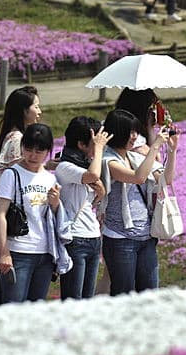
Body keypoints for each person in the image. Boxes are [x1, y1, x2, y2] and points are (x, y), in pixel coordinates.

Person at [100, 108, 178, 296]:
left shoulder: (134, 157)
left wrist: (172, 151)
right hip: (120, 238)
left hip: (146, 236)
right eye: (130, 132)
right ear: (117, 133)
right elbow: (138, 177)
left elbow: (165, 180)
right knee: (124, 294)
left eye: (136, 131)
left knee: (150, 294)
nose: (135, 137)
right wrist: (155, 147)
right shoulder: (108, 161)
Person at [0, 123, 70, 303]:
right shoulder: (12, 175)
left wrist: (55, 203)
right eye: (28, 149)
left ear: (48, 151)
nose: (33, 155)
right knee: (14, 309)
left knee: (36, 310)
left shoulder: (50, 178)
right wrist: (4, 252)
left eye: (39, 151)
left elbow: (52, 217)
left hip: (45, 254)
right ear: (22, 147)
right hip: (18, 252)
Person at [55, 116, 111, 300]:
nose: (98, 146)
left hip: (93, 238)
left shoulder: (84, 165)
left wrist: (100, 192)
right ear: (81, 144)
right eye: (94, 142)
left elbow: (92, 199)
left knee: (88, 300)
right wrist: (100, 149)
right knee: (74, 300)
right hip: (75, 239)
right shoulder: (65, 167)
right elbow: (93, 174)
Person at [0, 86, 42, 212]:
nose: (40, 111)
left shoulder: (13, 135)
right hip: (11, 209)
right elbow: (20, 174)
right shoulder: (17, 139)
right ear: (24, 111)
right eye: (36, 107)